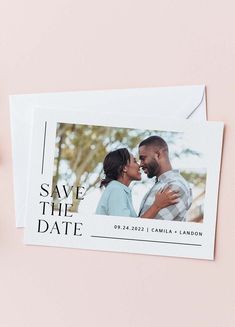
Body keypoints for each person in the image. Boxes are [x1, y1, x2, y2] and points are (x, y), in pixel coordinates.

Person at [95, 148, 179, 218]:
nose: (139, 165)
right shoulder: (116, 190)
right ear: (124, 168)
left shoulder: (118, 190)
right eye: (134, 161)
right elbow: (125, 229)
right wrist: (157, 205)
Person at [138, 136, 192, 221]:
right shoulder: (160, 184)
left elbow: (146, 229)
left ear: (158, 155)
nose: (140, 164)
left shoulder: (175, 186)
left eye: (143, 158)